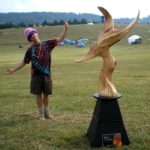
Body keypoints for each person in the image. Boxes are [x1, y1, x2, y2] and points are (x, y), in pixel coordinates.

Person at [5, 21, 68, 120]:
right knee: (38, 94)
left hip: (47, 75)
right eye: (30, 36)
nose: (33, 36)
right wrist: (14, 70)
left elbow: (60, 39)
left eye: (33, 34)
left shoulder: (47, 44)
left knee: (46, 94)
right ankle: (40, 114)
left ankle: (47, 113)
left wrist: (65, 29)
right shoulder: (30, 50)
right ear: (29, 39)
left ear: (36, 33)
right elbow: (24, 62)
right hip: (36, 76)